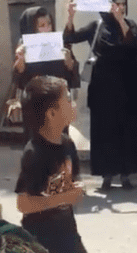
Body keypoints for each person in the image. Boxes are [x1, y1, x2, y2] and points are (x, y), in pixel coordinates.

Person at [63, 0, 137, 191]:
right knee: (104, 131)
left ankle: (125, 175)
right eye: (116, 4)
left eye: (123, 4)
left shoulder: (130, 24)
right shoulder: (97, 26)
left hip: (126, 89)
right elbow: (70, 37)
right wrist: (70, 16)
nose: (120, 8)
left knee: (126, 130)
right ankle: (107, 174)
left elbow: (131, 43)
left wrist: (121, 21)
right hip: (103, 89)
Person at [15, 76, 87, 253]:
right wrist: (63, 199)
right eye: (68, 99)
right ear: (52, 113)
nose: (74, 104)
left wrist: (77, 187)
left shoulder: (67, 144)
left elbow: (70, 181)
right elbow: (23, 203)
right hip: (41, 240)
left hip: (68, 233)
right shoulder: (35, 153)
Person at [8, 7, 79, 132]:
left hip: (57, 105)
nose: (47, 29)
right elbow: (19, 80)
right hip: (35, 108)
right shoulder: (24, 47)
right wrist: (20, 63)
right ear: (32, 27)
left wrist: (70, 63)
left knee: (59, 144)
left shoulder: (58, 44)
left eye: (49, 24)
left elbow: (72, 73)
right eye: (42, 25)